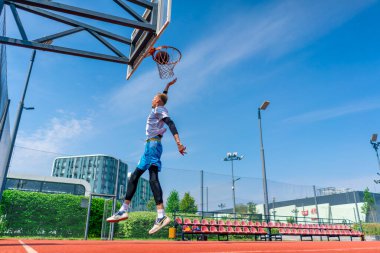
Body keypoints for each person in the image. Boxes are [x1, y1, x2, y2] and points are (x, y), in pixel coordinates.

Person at [106, 78, 186, 235]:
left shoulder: (159, 110)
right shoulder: (159, 107)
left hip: (152, 146)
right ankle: (125, 210)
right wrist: (167, 87)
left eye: (153, 97)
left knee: (151, 178)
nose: (152, 99)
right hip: (150, 146)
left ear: (157, 101)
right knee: (135, 177)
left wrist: (178, 142)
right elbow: (163, 97)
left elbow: (170, 123)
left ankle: (160, 215)